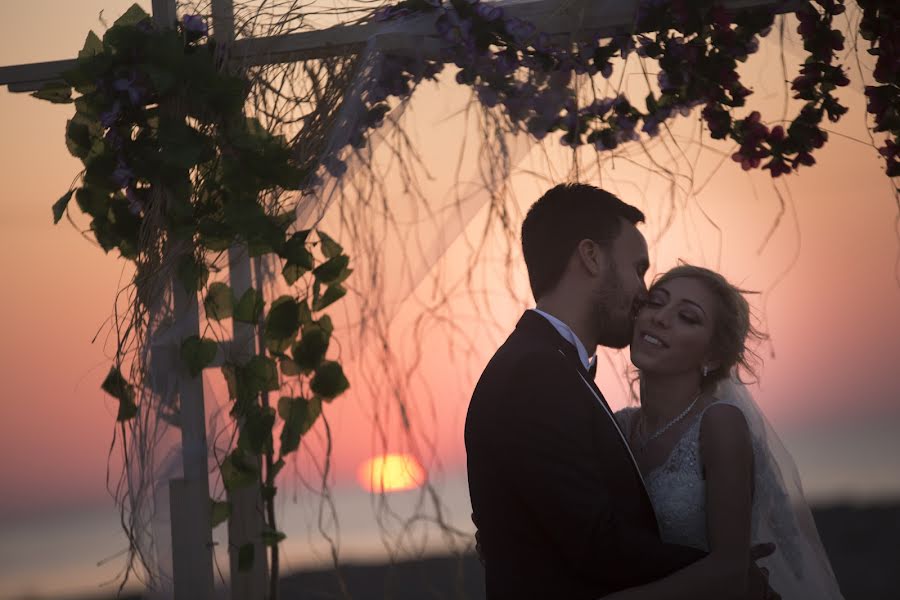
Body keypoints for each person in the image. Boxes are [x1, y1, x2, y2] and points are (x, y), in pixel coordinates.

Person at [465, 183, 776, 599]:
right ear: (591, 257)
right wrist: (725, 572)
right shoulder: (535, 373)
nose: (644, 296)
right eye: (638, 269)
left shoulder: (555, 369)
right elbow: (595, 543)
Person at [610, 265, 844, 599]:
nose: (660, 318)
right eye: (655, 302)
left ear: (713, 355)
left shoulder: (719, 424)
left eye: (687, 317)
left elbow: (730, 571)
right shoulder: (619, 426)